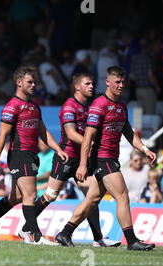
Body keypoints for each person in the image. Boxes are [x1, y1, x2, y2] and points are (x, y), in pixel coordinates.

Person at [55, 66, 157, 251]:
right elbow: (87, 137)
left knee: (92, 200)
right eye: (117, 82)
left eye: (123, 82)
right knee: (122, 195)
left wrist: (144, 149)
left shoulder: (122, 107)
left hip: (111, 158)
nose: (120, 85)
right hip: (102, 159)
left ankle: (65, 233)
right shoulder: (99, 105)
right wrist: (83, 165)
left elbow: (129, 133)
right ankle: (132, 240)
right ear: (107, 82)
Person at [18, 73, 120, 247]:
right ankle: (26, 227)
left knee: (92, 196)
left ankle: (98, 239)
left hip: (82, 159)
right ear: (77, 86)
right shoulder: (69, 106)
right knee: (50, 195)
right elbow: (71, 134)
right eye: (87, 83)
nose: (91, 86)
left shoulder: (89, 108)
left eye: (92, 84)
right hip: (65, 158)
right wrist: (93, 143)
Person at [0, 66, 68, 245]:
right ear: (19, 83)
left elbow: (43, 131)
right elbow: (2, 136)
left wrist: (58, 148)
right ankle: (34, 235)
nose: (34, 85)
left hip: (31, 155)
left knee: (16, 198)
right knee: (30, 194)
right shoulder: (12, 107)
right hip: (19, 154)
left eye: (34, 81)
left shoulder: (34, 106)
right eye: (30, 82)